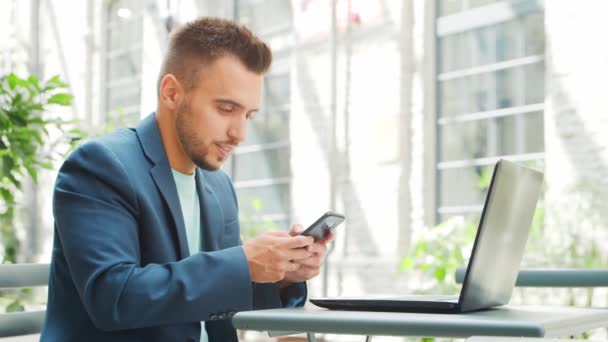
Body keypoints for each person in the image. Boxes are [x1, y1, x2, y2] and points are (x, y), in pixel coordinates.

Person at [41, 17, 332, 342]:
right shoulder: (101, 166)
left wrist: (279, 275)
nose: (240, 134)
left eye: (248, 115)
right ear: (171, 93)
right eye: (225, 109)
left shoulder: (218, 188)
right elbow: (114, 298)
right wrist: (243, 263)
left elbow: (217, 296)